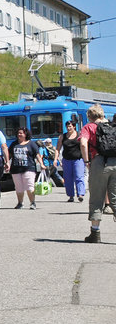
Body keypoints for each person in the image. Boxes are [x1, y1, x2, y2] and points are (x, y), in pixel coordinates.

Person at [80, 104, 116, 243]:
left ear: (90, 116)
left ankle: (95, 234)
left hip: (99, 163)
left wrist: (86, 161)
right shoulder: (113, 126)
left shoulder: (89, 127)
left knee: (96, 198)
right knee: (115, 197)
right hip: (115, 162)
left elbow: (83, 143)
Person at [8, 128, 44, 209]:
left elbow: (37, 155)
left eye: (21, 133)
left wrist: (41, 164)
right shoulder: (14, 144)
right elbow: (9, 155)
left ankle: (32, 203)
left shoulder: (31, 144)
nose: (19, 135)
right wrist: (6, 163)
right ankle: (20, 203)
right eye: (18, 133)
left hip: (29, 168)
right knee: (18, 188)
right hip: (16, 169)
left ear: (26, 134)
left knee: (30, 186)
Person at [58, 121, 86, 202]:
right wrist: (56, 158)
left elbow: (83, 146)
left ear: (74, 126)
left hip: (78, 159)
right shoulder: (62, 137)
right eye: (67, 126)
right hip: (67, 160)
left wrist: (86, 159)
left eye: (70, 126)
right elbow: (58, 148)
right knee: (68, 178)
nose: (68, 128)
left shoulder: (79, 135)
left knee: (79, 176)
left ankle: (80, 194)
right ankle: (70, 195)